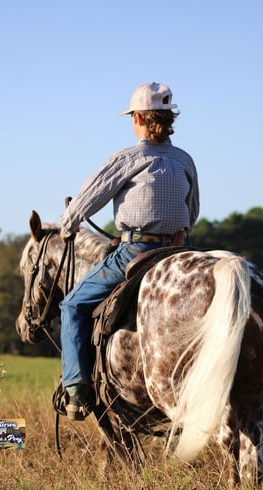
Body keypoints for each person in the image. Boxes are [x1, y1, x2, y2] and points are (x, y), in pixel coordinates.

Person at [58, 81, 200, 421]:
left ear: (138, 118)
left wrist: (68, 224)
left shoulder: (127, 158)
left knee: (72, 305)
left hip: (136, 250)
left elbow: (90, 197)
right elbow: (192, 211)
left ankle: (76, 390)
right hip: (180, 251)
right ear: (168, 119)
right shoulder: (184, 160)